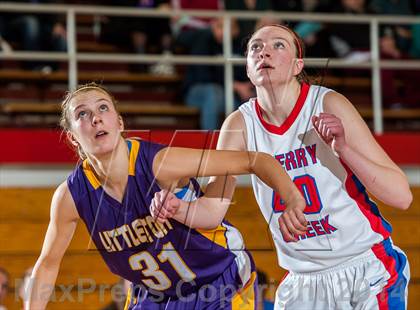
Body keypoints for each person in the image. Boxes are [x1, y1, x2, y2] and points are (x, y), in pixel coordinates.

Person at [151, 24, 413, 309]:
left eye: (278, 45)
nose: (264, 51)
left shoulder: (328, 104)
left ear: (297, 65)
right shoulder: (239, 124)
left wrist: (345, 150)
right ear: (248, 70)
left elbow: (401, 196)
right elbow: (213, 210)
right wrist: (177, 208)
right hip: (301, 282)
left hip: (364, 267)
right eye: (255, 47)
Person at [25, 82, 305, 309]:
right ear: (73, 138)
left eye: (102, 108)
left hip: (218, 279)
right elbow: (48, 264)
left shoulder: (159, 163)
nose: (95, 117)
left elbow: (257, 160)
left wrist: (292, 197)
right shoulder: (71, 196)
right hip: (157, 297)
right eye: (82, 114)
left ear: (119, 123)